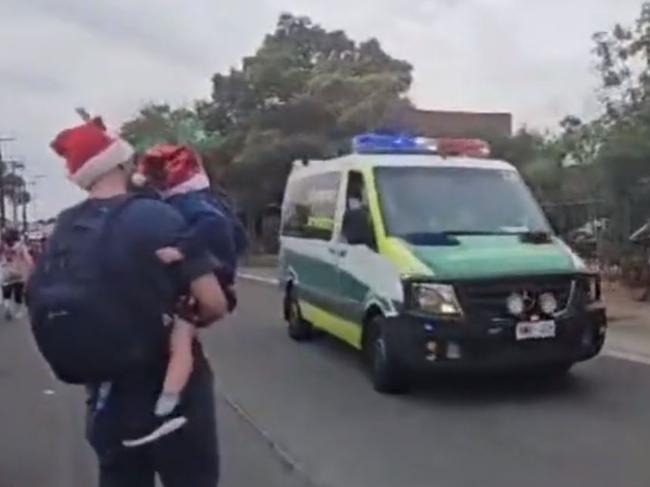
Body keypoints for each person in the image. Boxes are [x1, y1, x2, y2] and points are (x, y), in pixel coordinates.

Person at [40, 117, 226, 486]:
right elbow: (213, 302)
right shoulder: (157, 216)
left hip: (106, 393)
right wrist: (185, 322)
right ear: (122, 162)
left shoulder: (64, 227)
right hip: (172, 392)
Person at [129, 144, 247, 441]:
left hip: (215, 281)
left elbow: (213, 224)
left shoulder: (187, 203)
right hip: (222, 279)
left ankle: (165, 408)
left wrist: (182, 249)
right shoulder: (207, 199)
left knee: (180, 341)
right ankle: (168, 402)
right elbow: (237, 235)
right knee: (181, 339)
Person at [0, 228, 33, 320]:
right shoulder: (21, 246)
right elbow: (28, 259)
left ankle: (7, 309)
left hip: (6, 272)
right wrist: (31, 269)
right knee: (18, 294)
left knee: (7, 292)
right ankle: (16, 311)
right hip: (19, 273)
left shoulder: (2, 246)